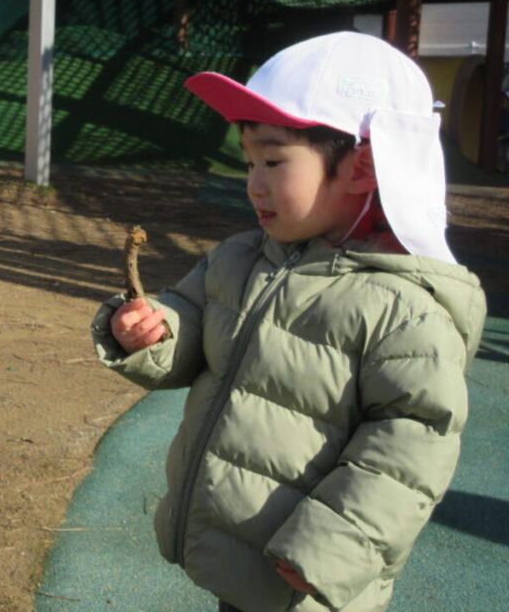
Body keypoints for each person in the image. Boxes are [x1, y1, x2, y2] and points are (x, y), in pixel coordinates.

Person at [90, 32, 487, 612]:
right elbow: (193, 322)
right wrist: (154, 332)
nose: (254, 182)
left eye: (274, 161)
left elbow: (411, 446)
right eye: (249, 161)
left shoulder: (404, 308)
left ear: (364, 165)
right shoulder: (240, 257)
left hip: (308, 580)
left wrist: (332, 548)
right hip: (242, 553)